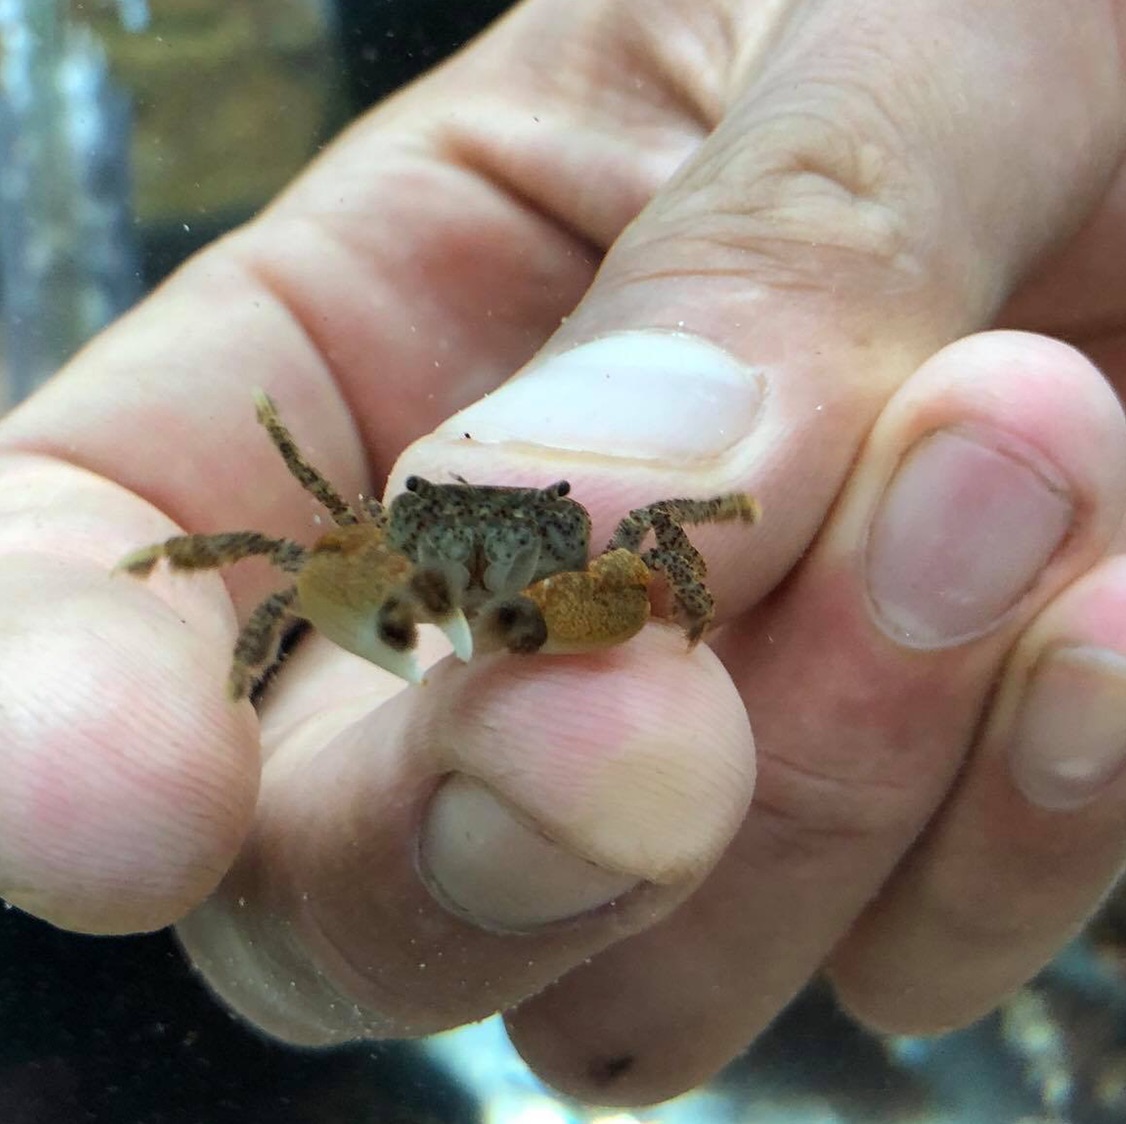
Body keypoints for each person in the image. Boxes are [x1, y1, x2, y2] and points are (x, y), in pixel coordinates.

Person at [2, 0, 1126, 1108]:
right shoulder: (393, 533)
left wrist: (693, 581)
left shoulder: (593, 535)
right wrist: (241, 655)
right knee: (284, 565)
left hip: (594, 576)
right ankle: (209, 670)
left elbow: (667, 539)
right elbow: (288, 543)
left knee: (640, 630)